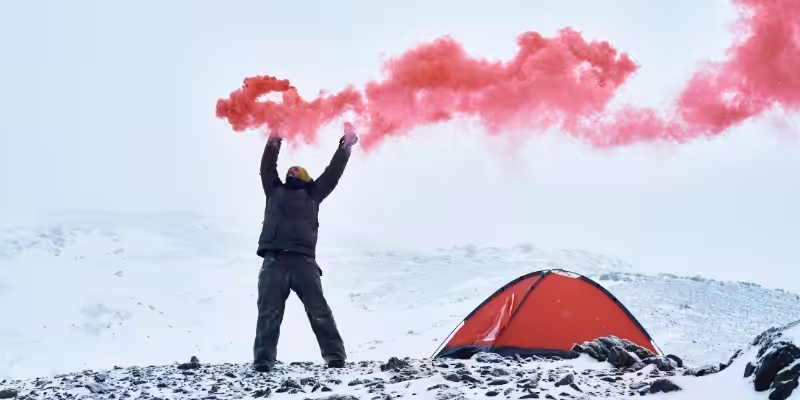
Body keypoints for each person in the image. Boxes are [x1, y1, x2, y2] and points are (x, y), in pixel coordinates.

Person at [252, 124, 359, 373]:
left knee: (318, 309)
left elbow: (332, 174)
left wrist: (345, 148)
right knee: (268, 312)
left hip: (303, 262)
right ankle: (263, 361)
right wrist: (276, 135)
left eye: (296, 171)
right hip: (273, 259)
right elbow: (267, 167)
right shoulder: (274, 190)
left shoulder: (314, 194)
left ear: (306, 178)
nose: (291, 172)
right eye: (289, 170)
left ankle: (335, 357)